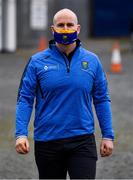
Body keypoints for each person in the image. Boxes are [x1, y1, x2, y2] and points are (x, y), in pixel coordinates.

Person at [15, 8, 114, 179]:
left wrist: (108, 135)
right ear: (53, 30)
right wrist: (21, 134)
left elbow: (102, 99)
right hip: (48, 142)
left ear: (78, 29)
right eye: (61, 25)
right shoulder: (37, 62)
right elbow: (25, 99)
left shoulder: (92, 61)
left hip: (82, 140)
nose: (66, 29)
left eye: (70, 25)